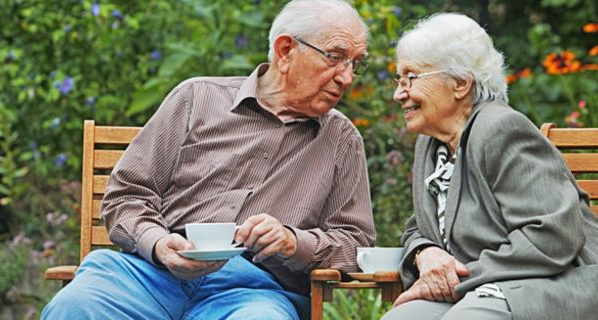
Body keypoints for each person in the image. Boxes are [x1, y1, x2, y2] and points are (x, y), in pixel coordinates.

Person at [42, 1, 374, 319]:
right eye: (335, 57)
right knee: (77, 305)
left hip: (251, 292)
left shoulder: (342, 140)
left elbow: (355, 244)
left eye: (355, 64)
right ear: (285, 51)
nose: (346, 78)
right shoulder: (196, 98)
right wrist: (158, 244)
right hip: (148, 277)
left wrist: (294, 242)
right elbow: (126, 196)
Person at [382, 12, 598, 320]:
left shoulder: (502, 129)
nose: (398, 93)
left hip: (555, 285)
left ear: (459, 83)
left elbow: (552, 235)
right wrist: (424, 253)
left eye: (411, 78)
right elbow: (420, 225)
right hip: (483, 285)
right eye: (399, 80)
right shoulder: (431, 142)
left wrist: (456, 277)